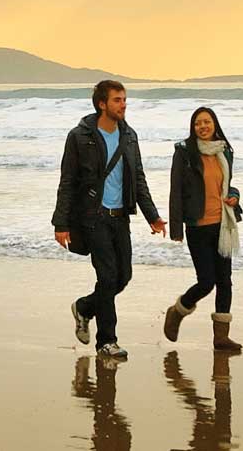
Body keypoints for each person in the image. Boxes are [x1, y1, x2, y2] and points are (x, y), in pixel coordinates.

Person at [53, 79, 167, 358]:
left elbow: (138, 178)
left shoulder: (129, 136)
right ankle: (107, 340)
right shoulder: (79, 136)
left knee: (123, 277)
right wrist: (61, 223)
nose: (123, 105)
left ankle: (84, 307)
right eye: (117, 100)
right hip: (93, 217)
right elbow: (67, 181)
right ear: (102, 104)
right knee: (107, 277)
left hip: (120, 217)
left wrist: (152, 215)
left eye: (124, 99)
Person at [162, 107, 243, 351]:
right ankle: (177, 311)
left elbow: (228, 185)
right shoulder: (184, 153)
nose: (203, 126)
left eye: (207, 122)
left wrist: (234, 195)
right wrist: (176, 226)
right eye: (198, 123)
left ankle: (221, 337)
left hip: (223, 224)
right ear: (193, 127)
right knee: (206, 281)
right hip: (198, 225)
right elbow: (175, 190)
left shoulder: (224, 151)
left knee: (225, 282)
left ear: (215, 125)